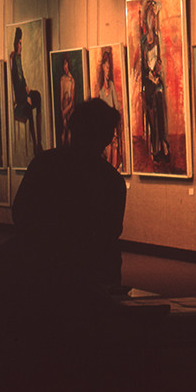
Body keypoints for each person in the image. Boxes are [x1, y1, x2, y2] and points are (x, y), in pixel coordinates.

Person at [12, 98, 126, 289]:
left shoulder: (44, 164)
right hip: (91, 274)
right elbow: (110, 232)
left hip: (41, 267)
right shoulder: (110, 179)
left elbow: (21, 213)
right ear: (107, 137)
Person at [140, 0, 171, 163]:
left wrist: (158, 71)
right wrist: (151, 74)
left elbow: (160, 61)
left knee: (160, 99)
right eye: (150, 17)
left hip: (157, 81)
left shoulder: (158, 38)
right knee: (152, 104)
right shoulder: (143, 42)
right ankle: (156, 146)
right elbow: (143, 67)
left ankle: (163, 144)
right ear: (146, 19)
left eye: (154, 16)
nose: (152, 19)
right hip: (148, 83)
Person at [10, 27, 43, 156]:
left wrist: (28, 90)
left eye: (21, 43)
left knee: (37, 96)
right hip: (20, 99)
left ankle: (39, 140)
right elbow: (16, 83)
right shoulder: (14, 59)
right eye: (19, 43)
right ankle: (35, 143)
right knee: (28, 107)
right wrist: (25, 97)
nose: (21, 46)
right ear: (16, 43)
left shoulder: (18, 58)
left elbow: (22, 79)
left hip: (23, 93)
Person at [96, 47, 123, 170]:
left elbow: (116, 105)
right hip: (104, 127)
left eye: (109, 68)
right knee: (108, 152)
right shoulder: (101, 90)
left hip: (112, 126)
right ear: (103, 68)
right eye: (107, 68)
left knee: (114, 146)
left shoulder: (111, 85)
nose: (108, 70)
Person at [58, 54, 76, 146]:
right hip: (64, 107)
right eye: (63, 64)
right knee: (63, 130)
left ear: (68, 64)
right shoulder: (62, 79)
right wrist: (62, 110)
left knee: (69, 131)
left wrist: (65, 111)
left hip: (70, 108)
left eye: (66, 64)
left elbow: (72, 101)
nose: (64, 67)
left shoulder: (72, 80)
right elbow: (61, 97)